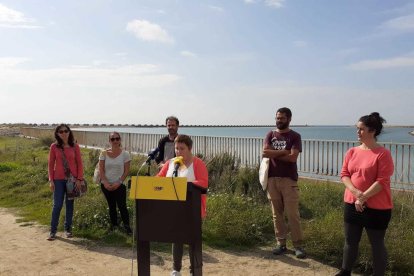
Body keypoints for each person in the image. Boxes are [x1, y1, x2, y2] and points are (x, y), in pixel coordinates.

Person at [335, 113, 394, 276]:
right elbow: (344, 174)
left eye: (361, 129)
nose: (358, 132)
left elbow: (382, 181)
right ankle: (345, 271)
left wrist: (363, 197)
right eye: (357, 129)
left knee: (377, 244)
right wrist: (355, 193)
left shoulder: (383, 154)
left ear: (372, 131)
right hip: (352, 203)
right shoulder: (352, 152)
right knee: (350, 241)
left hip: (377, 207)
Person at [157, 134, 208, 276]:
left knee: (193, 240)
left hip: (192, 208)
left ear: (190, 149)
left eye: (182, 148)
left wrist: (183, 185)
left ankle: (194, 270)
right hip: (173, 209)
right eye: (176, 148)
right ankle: (176, 270)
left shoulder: (198, 163)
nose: (178, 151)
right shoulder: (170, 163)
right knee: (176, 239)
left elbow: (203, 183)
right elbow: (158, 180)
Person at [262, 107, 306, 258]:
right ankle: (281, 244)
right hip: (272, 179)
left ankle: (298, 246)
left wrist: (275, 153)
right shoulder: (270, 134)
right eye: (277, 118)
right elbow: (265, 153)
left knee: (292, 214)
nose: (278, 120)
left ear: (289, 119)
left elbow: (293, 158)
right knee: (277, 214)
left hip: (289, 180)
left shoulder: (295, 136)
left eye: (282, 118)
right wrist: (285, 152)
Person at [47, 124, 84, 240]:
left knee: (69, 205)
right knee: (57, 205)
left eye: (66, 131)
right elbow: (50, 164)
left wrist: (79, 179)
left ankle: (68, 229)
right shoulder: (54, 147)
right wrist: (51, 180)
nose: (63, 133)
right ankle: (53, 231)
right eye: (61, 131)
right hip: (58, 180)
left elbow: (80, 164)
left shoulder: (75, 146)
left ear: (69, 132)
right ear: (57, 133)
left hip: (71, 180)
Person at [98, 132, 132, 235]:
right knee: (111, 206)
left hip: (120, 185)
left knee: (122, 206)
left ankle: (127, 228)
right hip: (106, 184)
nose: (115, 141)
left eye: (117, 139)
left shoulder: (125, 154)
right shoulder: (103, 153)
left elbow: (126, 171)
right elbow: (101, 169)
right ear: (109, 141)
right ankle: (114, 226)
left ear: (120, 140)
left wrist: (119, 182)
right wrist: (105, 183)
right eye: (113, 139)